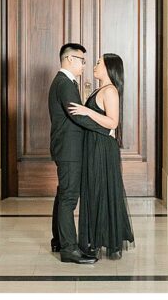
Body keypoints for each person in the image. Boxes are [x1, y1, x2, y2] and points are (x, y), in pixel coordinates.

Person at [48, 42, 111, 264]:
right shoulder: (64, 83)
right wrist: (107, 129)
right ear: (69, 59)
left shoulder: (66, 82)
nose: (84, 65)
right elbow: (78, 115)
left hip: (66, 147)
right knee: (68, 197)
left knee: (63, 193)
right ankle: (69, 249)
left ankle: (58, 240)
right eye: (82, 60)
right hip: (69, 149)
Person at [68, 53, 135, 260]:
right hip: (93, 145)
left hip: (103, 147)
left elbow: (112, 122)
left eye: (99, 63)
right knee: (93, 191)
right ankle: (95, 240)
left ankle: (111, 242)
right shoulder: (99, 89)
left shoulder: (110, 91)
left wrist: (86, 112)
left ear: (108, 67)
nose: (94, 66)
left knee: (103, 190)